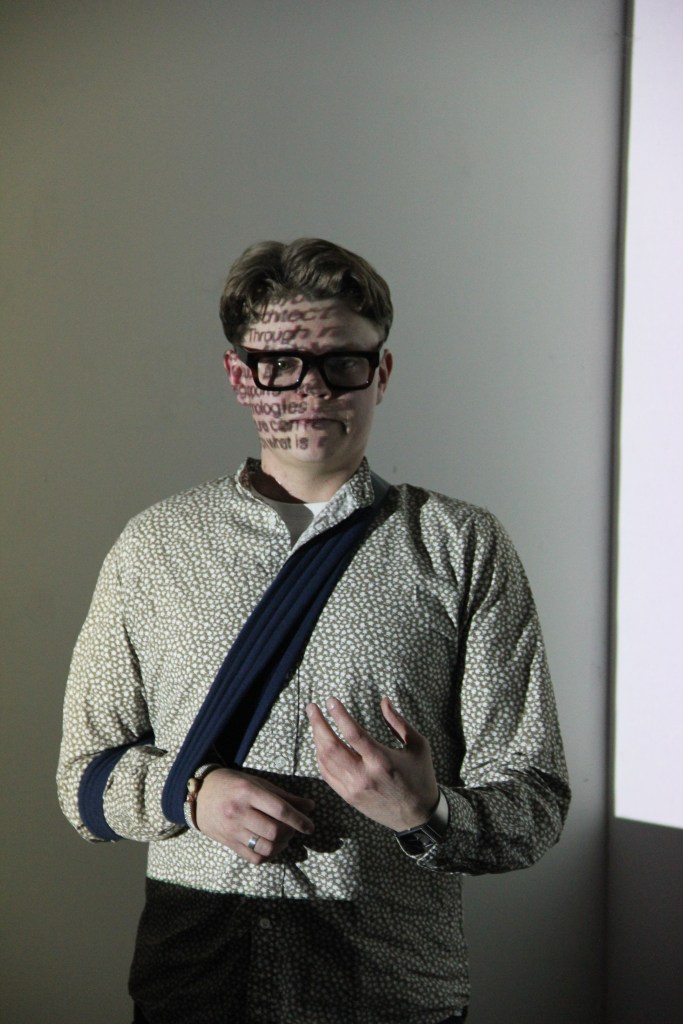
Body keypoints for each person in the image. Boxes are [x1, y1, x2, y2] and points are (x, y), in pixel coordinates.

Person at [57, 238, 570, 1024]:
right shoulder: (154, 547)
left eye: (341, 363)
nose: (310, 391)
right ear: (239, 376)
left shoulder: (461, 546)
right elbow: (81, 781)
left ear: (381, 373)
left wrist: (426, 811)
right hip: (196, 972)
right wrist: (189, 794)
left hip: (388, 983)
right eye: (278, 366)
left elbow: (534, 801)